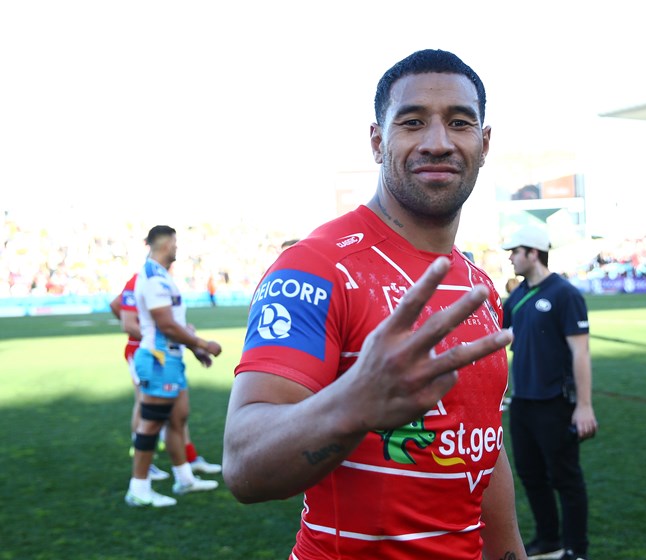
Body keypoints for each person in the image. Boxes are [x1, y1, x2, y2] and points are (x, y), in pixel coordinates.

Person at [223, 50, 525, 559]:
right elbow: (244, 465)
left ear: (484, 142)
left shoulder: (476, 283)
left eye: (459, 122)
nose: (437, 142)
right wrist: (354, 403)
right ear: (378, 140)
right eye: (412, 122)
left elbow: (485, 454)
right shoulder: (316, 266)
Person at [502, 225, 597, 560]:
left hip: (556, 402)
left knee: (566, 478)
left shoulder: (564, 294)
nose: (510, 258)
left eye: (515, 252)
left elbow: (580, 353)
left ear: (533, 252)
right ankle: (549, 539)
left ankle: (576, 549)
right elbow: (499, 338)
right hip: (523, 402)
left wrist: (584, 406)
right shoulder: (516, 295)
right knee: (530, 474)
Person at [125, 225, 223, 507]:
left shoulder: (161, 276)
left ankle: (184, 478)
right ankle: (139, 488)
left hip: (170, 357)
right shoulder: (154, 277)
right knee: (152, 421)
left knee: (178, 417)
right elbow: (166, 324)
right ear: (166, 243)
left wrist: (192, 347)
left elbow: (172, 324)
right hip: (158, 359)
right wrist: (203, 344)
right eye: (175, 242)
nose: (177, 248)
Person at [110, 273, 222, 479]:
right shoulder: (143, 278)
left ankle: (188, 462)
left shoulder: (162, 279)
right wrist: (152, 334)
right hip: (146, 351)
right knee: (146, 407)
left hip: (167, 351)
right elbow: (118, 308)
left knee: (177, 413)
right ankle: (145, 465)